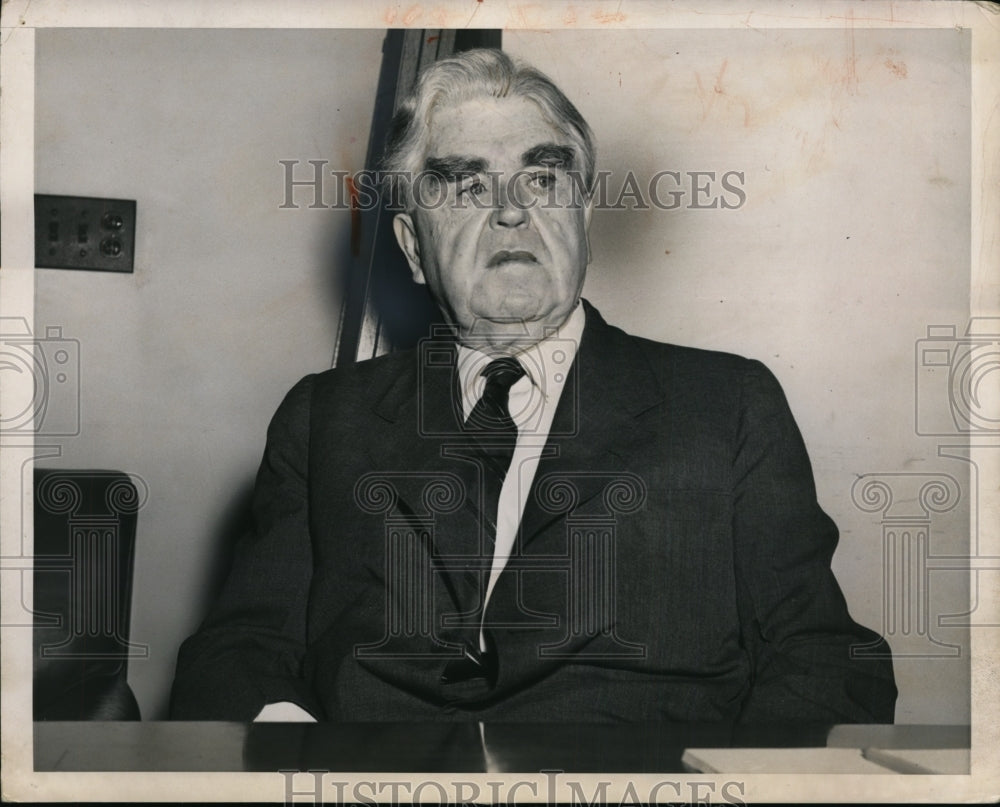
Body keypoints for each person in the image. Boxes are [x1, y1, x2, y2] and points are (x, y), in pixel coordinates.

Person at [170, 48, 896, 724]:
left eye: (543, 179)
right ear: (414, 248)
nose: (511, 210)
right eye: (466, 186)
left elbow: (827, 658)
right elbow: (235, 653)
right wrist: (302, 763)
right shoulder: (325, 419)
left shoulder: (727, 406)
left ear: (583, 219)